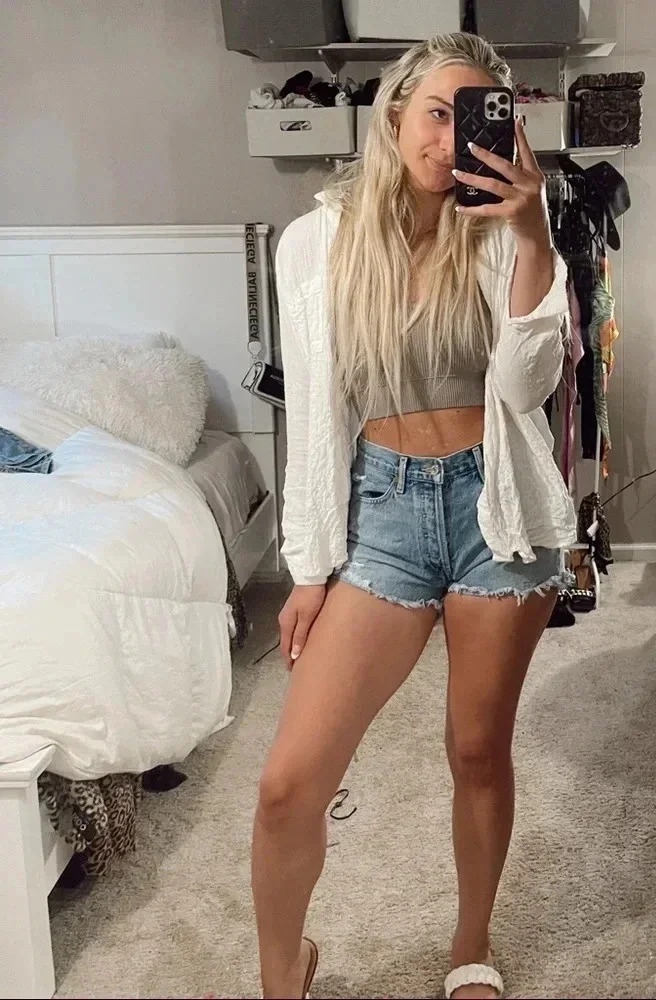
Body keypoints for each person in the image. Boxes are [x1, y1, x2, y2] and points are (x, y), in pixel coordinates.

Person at [252, 32, 576, 1000]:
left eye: (474, 119)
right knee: (287, 782)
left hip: (496, 509)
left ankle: (471, 944)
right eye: (437, 113)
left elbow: (527, 386)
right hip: (383, 513)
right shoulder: (316, 243)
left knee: (476, 748)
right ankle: (282, 972)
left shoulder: (506, 229)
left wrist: (534, 236)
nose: (450, 140)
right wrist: (309, 567)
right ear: (394, 116)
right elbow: (316, 417)